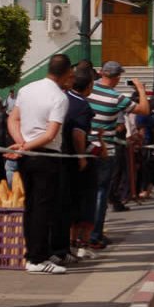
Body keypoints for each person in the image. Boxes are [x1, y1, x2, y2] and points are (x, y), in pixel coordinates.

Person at [7, 54, 74, 274]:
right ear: (67, 73)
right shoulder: (59, 97)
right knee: (43, 208)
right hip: (46, 155)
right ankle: (36, 258)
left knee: (32, 206)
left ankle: (37, 253)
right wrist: (26, 146)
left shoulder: (27, 89)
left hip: (27, 155)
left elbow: (13, 119)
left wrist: (21, 143)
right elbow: (50, 134)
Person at [87, 62, 149, 248]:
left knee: (86, 192)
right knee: (101, 192)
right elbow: (144, 110)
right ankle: (95, 234)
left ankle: (84, 233)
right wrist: (140, 89)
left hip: (85, 147)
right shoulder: (116, 98)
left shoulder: (89, 90)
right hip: (105, 149)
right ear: (116, 77)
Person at [54, 68, 95, 265]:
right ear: (89, 86)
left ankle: (63, 247)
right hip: (70, 161)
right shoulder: (82, 105)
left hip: (57, 155)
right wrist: (82, 157)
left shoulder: (64, 97)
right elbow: (78, 134)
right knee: (69, 205)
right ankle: (63, 249)